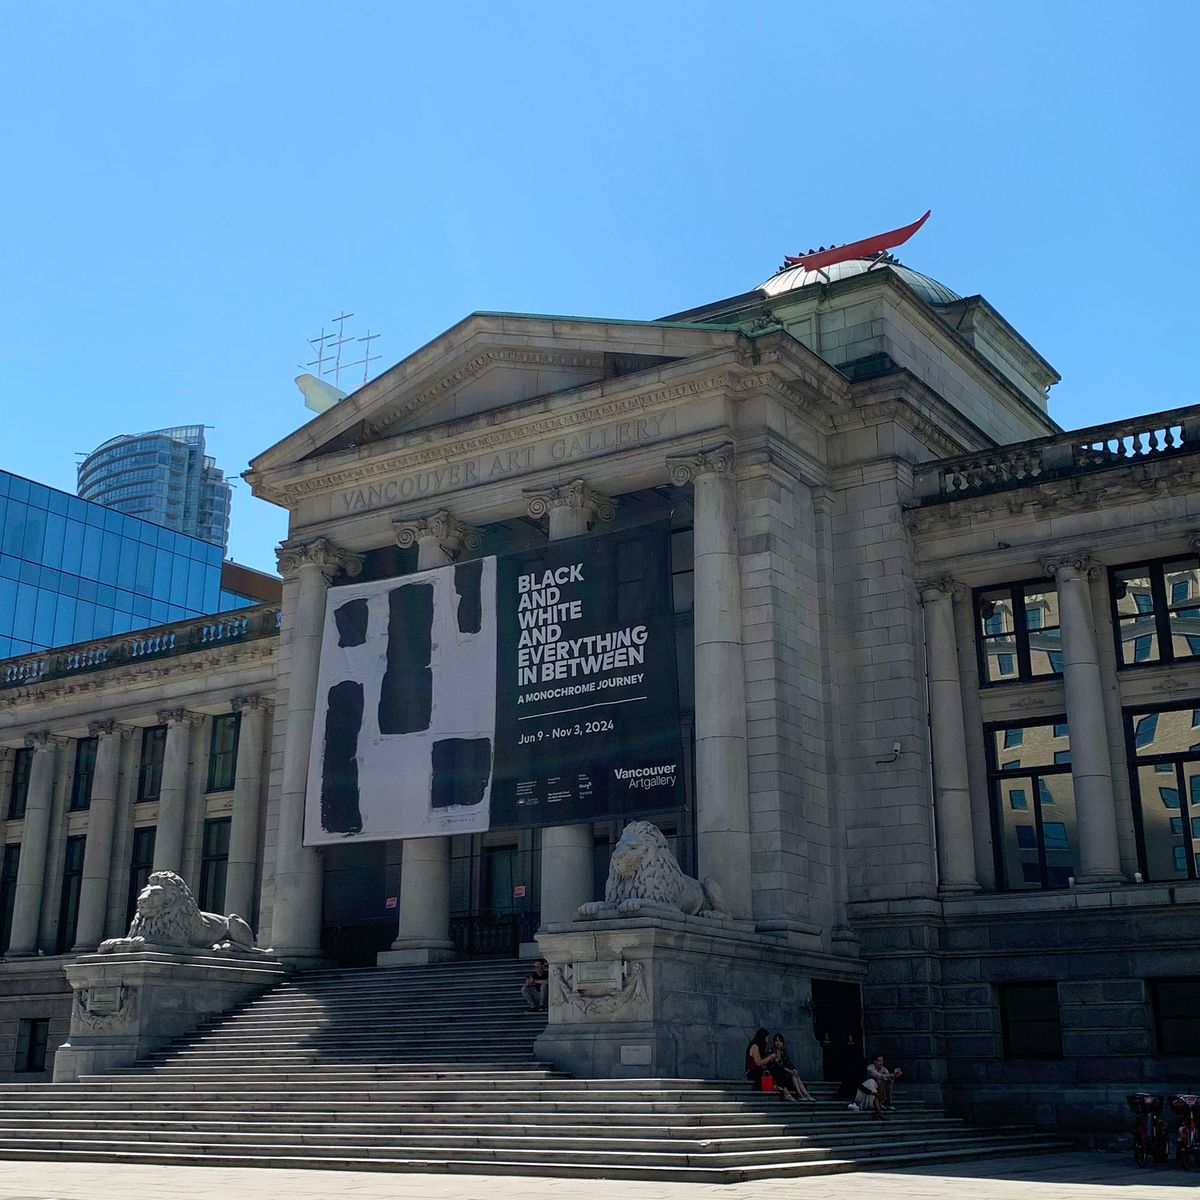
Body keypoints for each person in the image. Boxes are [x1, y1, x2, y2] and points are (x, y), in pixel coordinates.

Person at [769, 1034, 815, 1102]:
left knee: (795, 1075)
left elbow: (788, 1063)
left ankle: (806, 1094)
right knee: (792, 1074)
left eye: (780, 1041)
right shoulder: (771, 1052)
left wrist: (794, 1069)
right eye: (776, 1041)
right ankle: (800, 1094)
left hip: (785, 1074)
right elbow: (778, 1065)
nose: (778, 1043)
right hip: (777, 1075)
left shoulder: (783, 1052)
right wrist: (790, 1071)